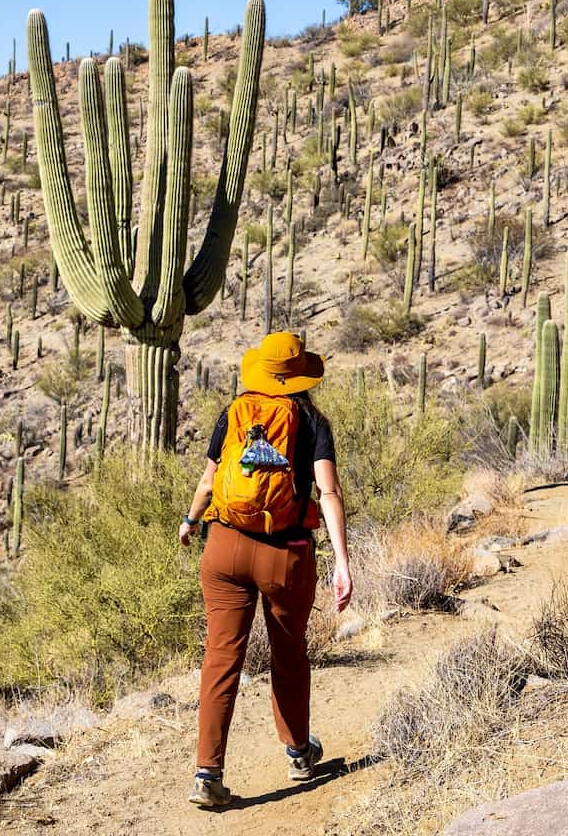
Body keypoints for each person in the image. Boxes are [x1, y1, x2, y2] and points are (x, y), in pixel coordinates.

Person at [179, 331, 352, 808]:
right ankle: (299, 752)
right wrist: (341, 560)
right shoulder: (313, 421)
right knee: (288, 654)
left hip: (225, 549)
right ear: (299, 375)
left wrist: (190, 521)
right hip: (284, 555)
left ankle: (206, 772)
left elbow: (209, 479)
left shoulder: (234, 413)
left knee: (221, 658)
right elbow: (329, 494)